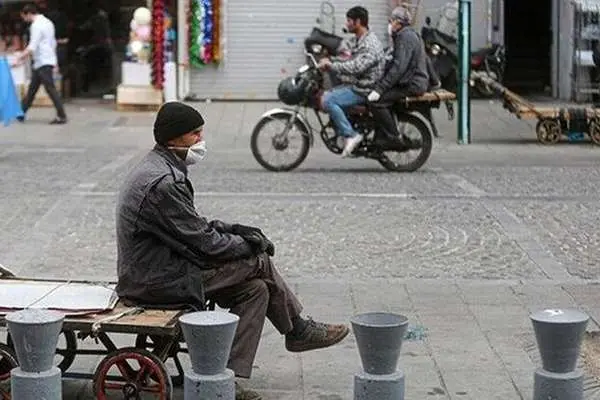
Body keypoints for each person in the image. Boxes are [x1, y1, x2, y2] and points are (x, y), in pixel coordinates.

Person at [115, 102, 350, 400]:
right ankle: (298, 330)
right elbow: (205, 243)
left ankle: (226, 377)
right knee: (259, 261)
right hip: (156, 281)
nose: (201, 140)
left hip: (165, 267)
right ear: (174, 137)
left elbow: (192, 225)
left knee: (256, 291)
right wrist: (248, 244)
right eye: (195, 134)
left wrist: (237, 229)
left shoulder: (160, 167)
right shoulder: (163, 183)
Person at [318, 6, 385, 157]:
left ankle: (351, 135)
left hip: (365, 89)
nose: (346, 24)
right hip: (360, 84)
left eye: (349, 21)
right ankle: (346, 128)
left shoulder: (369, 44)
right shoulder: (360, 39)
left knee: (328, 100)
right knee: (330, 93)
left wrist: (332, 66)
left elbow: (355, 67)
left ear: (358, 22)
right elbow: (350, 59)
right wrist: (331, 60)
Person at [367, 6, 429, 150]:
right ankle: (381, 135)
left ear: (398, 22)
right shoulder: (406, 35)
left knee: (376, 102)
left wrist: (380, 89)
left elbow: (399, 68)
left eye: (391, 21)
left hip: (411, 84)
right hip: (410, 81)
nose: (389, 24)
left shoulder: (405, 37)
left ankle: (393, 137)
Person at [12, 3, 67, 124]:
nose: (24, 20)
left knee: (50, 89)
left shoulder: (36, 26)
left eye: (24, 17)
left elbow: (32, 46)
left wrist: (20, 57)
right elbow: (52, 43)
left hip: (42, 60)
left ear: (28, 14)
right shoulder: (48, 22)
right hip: (45, 60)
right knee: (33, 89)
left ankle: (62, 115)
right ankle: (21, 113)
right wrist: (55, 61)